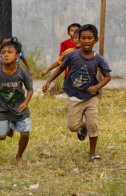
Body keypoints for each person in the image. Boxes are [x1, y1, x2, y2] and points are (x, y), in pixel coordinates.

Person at [43, 24, 111, 163]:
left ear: (96, 40)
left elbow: (107, 76)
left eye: (90, 38)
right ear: (78, 39)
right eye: (83, 38)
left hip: (91, 98)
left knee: (93, 124)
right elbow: (61, 68)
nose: (86, 41)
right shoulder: (72, 55)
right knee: (73, 126)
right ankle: (83, 126)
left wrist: (97, 86)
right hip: (74, 97)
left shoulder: (98, 59)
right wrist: (49, 80)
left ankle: (92, 153)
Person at [0, 37, 34, 166]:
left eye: (10, 52)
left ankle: (19, 156)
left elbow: (30, 89)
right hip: (1, 108)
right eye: (3, 52)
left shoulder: (22, 72)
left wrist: (26, 103)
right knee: (1, 137)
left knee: (25, 133)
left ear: (17, 56)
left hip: (19, 107)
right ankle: (9, 127)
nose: (6, 55)